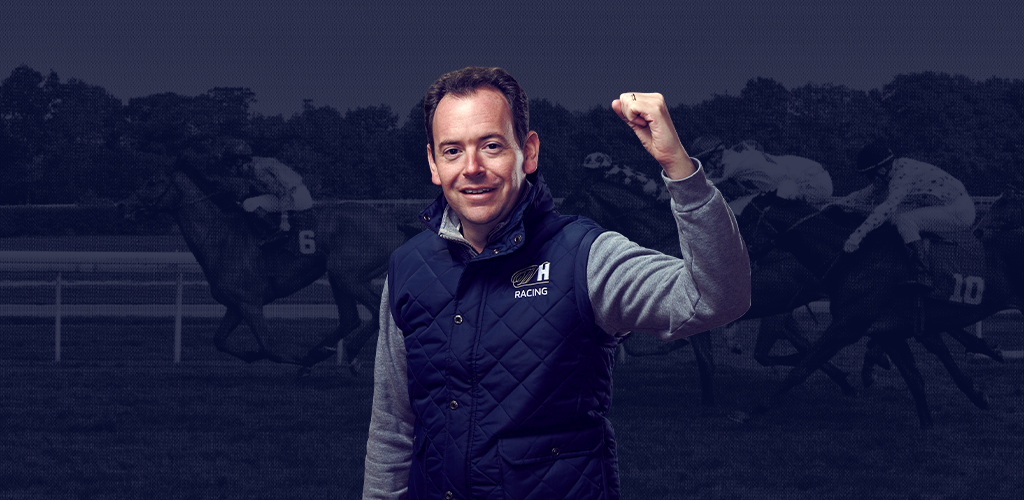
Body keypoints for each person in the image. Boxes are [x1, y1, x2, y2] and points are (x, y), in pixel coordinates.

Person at [362, 67, 750, 500]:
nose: (471, 168)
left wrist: (680, 170)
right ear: (434, 164)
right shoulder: (408, 267)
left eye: (491, 146)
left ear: (528, 152)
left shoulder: (586, 256)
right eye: (452, 151)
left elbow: (718, 298)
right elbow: (393, 428)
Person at [832, 140, 975, 289]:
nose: (871, 181)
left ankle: (923, 274)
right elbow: (863, 194)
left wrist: (856, 237)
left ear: (882, 170)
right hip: (944, 204)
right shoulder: (894, 170)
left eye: (870, 176)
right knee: (895, 218)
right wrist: (834, 205)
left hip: (960, 211)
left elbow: (886, 208)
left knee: (904, 219)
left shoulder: (903, 176)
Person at [690, 136, 833, 214]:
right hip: (813, 179)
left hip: (813, 184)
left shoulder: (730, 163)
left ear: (715, 155)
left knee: (736, 210)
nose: (705, 167)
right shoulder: (737, 156)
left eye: (704, 162)